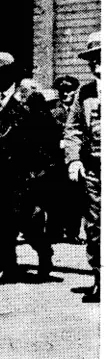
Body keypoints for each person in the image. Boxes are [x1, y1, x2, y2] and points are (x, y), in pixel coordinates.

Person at [0, 52, 54, 284]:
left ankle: (44, 254)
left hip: (22, 173)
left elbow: (46, 134)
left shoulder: (31, 99)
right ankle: (5, 267)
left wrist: (39, 171)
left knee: (28, 223)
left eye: (1, 73)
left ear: (11, 74)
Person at [63, 31, 101, 303]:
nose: (97, 66)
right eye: (92, 61)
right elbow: (73, 129)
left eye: (101, 59)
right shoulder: (85, 93)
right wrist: (74, 159)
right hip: (96, 170)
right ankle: (100, 278)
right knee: (96, 226)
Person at [49, 75, 83, 243]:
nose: (65, 94)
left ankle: (72, 232)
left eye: (68, 91)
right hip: (56, 160)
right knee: (56, 197)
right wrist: (57, 142)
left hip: (75, 159)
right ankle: (54, 233)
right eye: (61, 91)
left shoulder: (80, 109)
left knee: (75, 197)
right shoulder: (51, 110)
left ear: (75, 91)